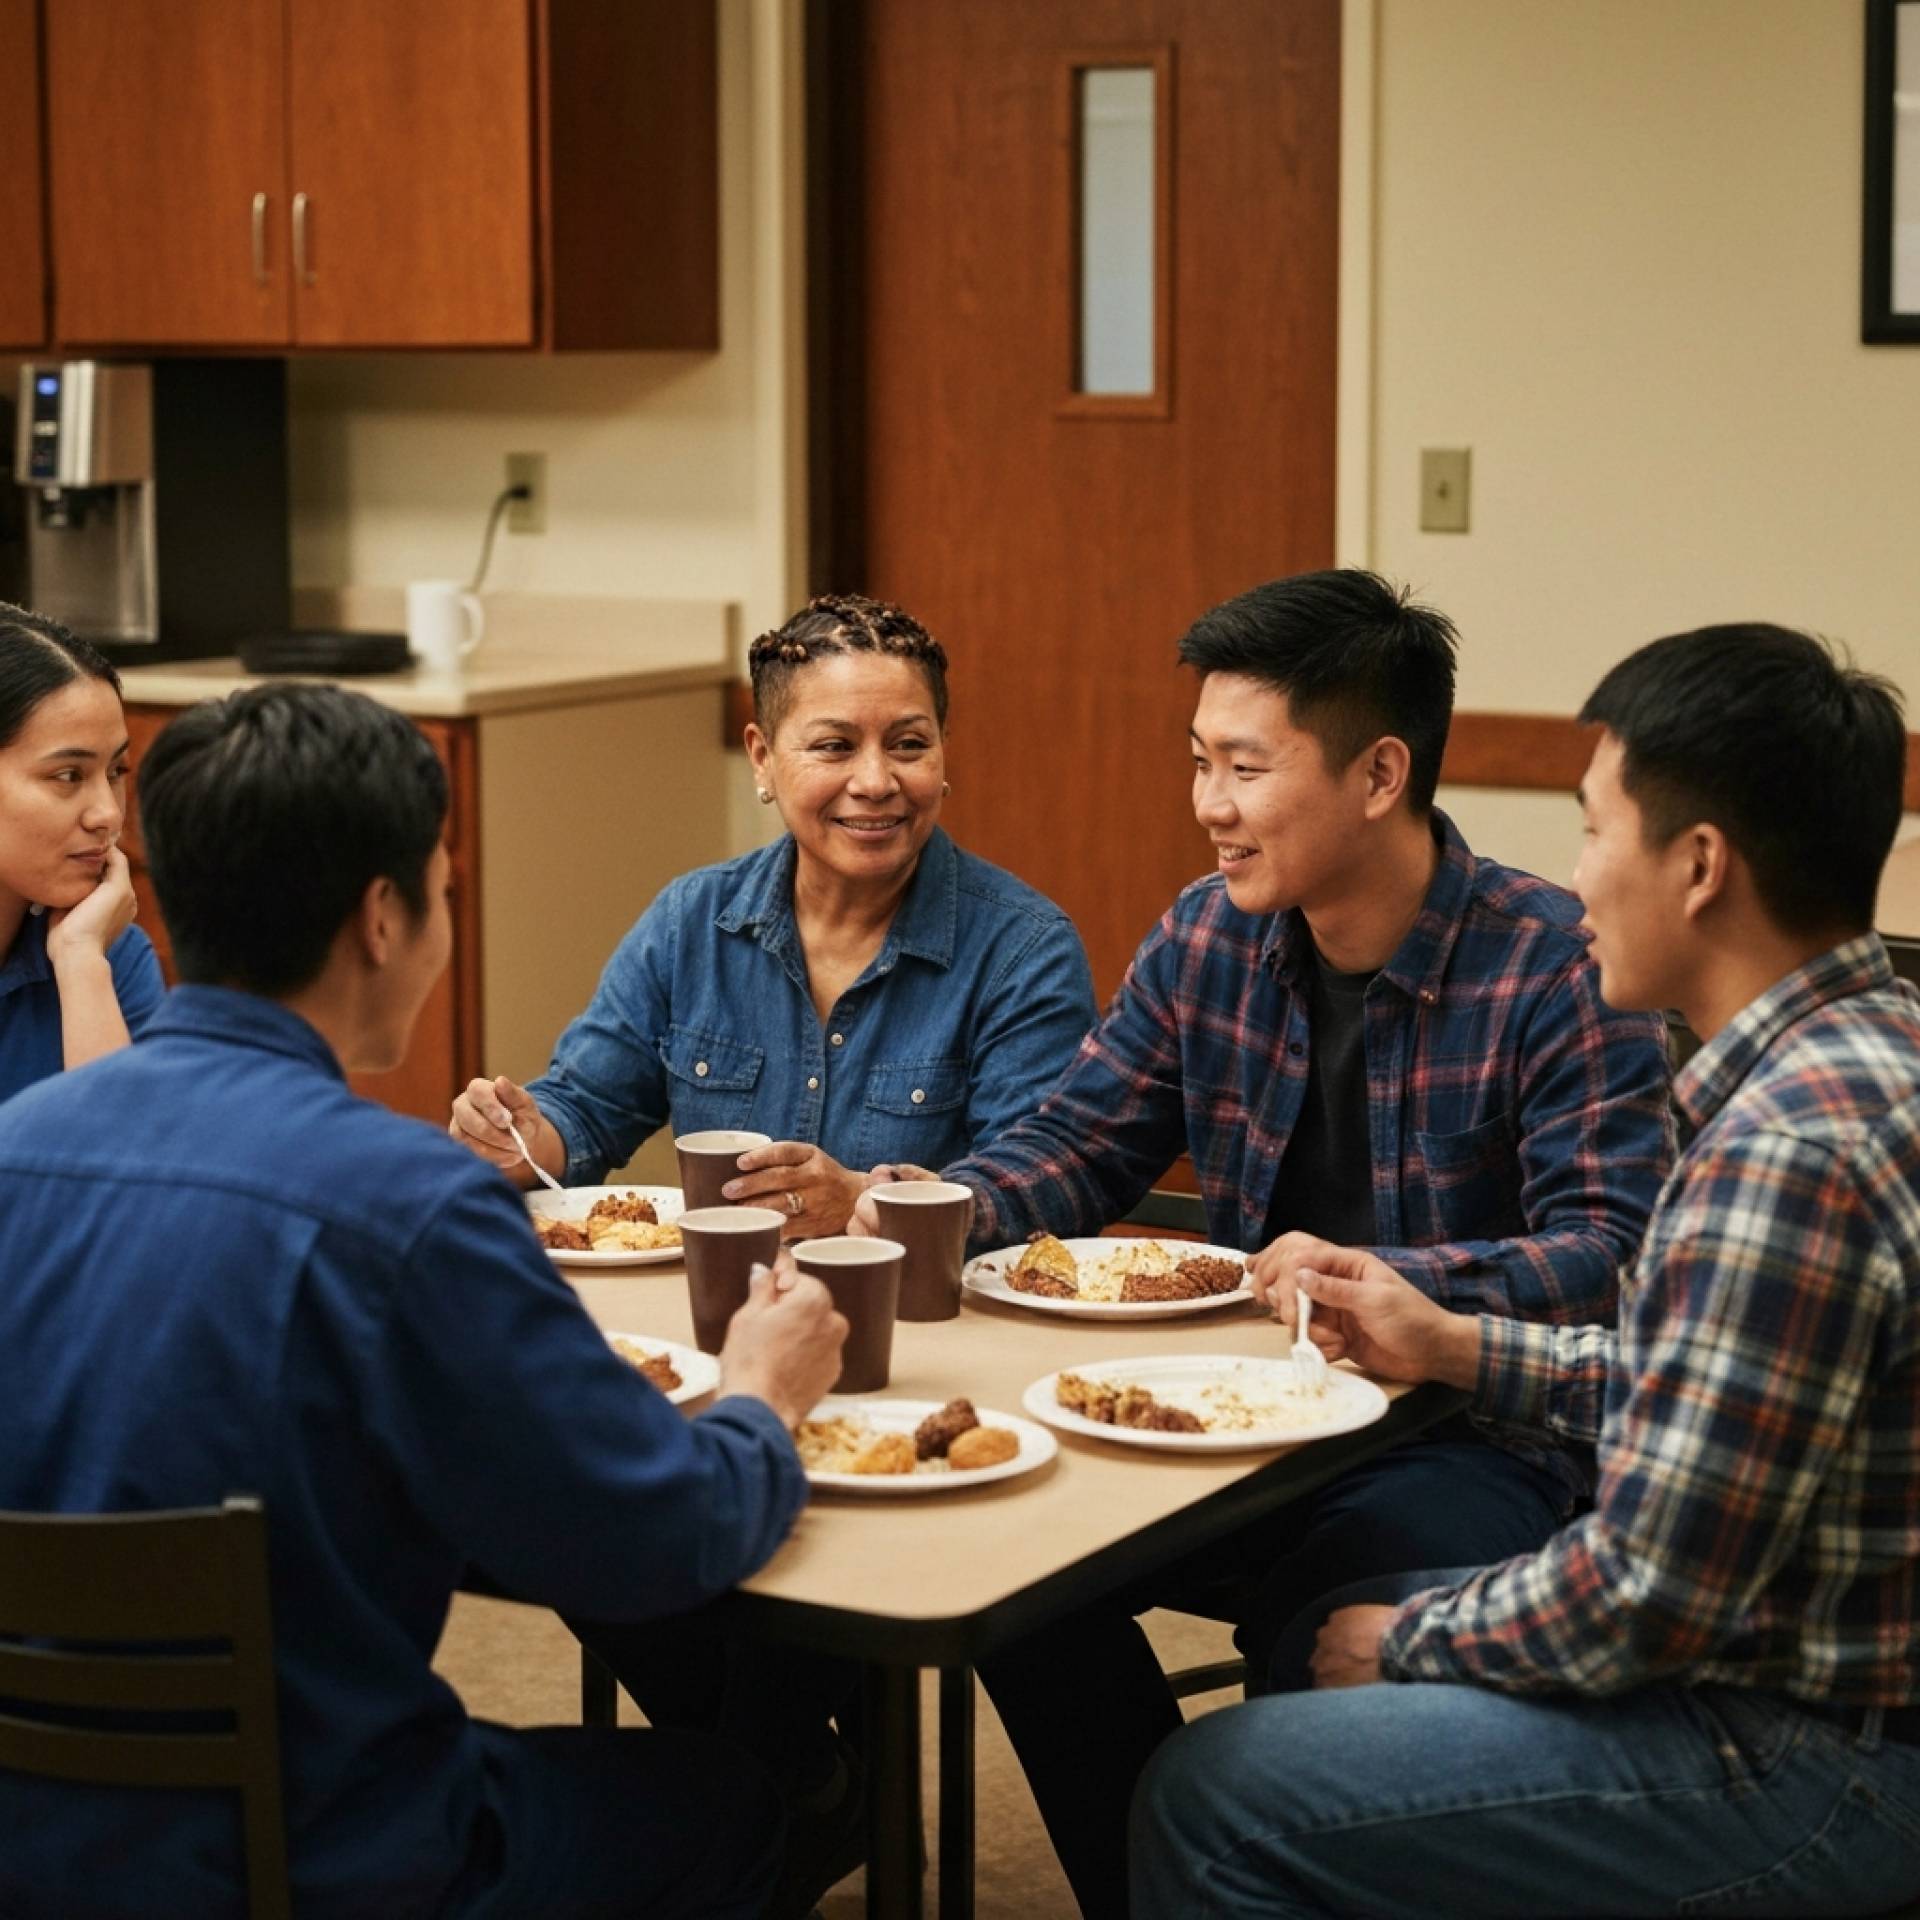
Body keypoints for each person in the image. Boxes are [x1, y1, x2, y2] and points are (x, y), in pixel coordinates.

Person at [856, 569, 1676, 1917]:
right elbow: (1081, 1143)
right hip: (1245, 1423)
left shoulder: (1549, 960)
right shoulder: (1209, 937)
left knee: (1323, 1634)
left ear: (1379, 773)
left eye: (1245, 767)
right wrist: (927, 1208)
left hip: (1471, 1437)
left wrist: (1400, 1285)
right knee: (1018, 1580)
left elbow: (1614, 1252)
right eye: (1199, 763)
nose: (1209, 806)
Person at [0, 683, 848, 1920]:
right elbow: (657, 1540)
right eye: (446, 890)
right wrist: (765, 1396)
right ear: (385, 917)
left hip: (31, 1834)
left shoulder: (17, 1146)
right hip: (316, 1853)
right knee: (727, 1798)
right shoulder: (406, 1206)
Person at [1134, 623, 1920, 1919]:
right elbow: (1711, 1393)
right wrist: (1454, 1343)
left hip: (1806, 1748)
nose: (1578, 873)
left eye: (1596, 828)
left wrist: (1413, 1640)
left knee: (1217, 1792)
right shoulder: (1865, 1048)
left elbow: (1646, 1595)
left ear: (1701, 867)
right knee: (1334, 1639)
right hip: (1809, 1672)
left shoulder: (1786, 1149)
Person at [450, 591, 1096, 1236]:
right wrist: (522, 1137)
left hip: (930, 1320)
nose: (875, 781)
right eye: (834, 746)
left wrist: (869, 1206)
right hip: (718, 1312)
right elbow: (588, 1106)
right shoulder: (693, 920)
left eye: (907, 744)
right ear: (762, 757)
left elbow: (1039, 1178)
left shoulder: (1023, 948)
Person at [0, 601, 163, 1101]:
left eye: (115, 773)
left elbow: (127, 1165)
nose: (109, 815)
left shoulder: (110, 954)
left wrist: (79, 964)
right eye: (68, 775)